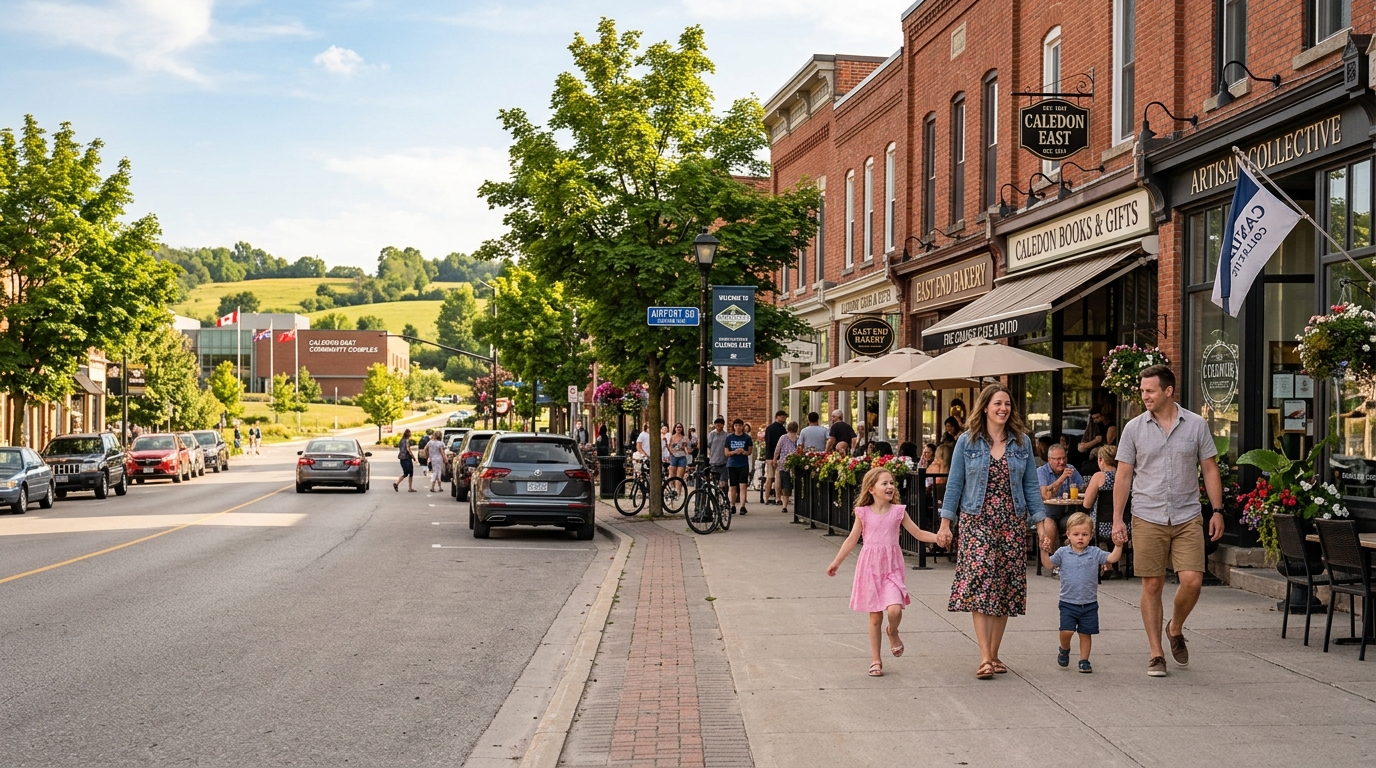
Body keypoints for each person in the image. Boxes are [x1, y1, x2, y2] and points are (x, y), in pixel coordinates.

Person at [937, 383, 1055, 680]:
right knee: (982, 583)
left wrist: (1041, 524)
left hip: (1011, 522)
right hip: (977, 521)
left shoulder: (1022, 443)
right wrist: (945, 523)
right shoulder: (967, 442)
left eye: (1007, 404)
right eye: (997, 403)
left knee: (1004, 587)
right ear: (986, 407)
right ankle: (985, 657)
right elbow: (954, 485)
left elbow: (1030, 486)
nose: (1003, 408)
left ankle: (995, 653)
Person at [1113, 364, 1225, 678]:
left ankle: (1174, 627)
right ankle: (1156, 653)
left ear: (1168, 391)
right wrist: (1117, 519)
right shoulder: (1134, 428)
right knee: (1152, 584)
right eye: (1142, 390)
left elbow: (1210, 468)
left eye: (1149, 390)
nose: (1144, 395)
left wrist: (1217, 510)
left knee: (1192, 581)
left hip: (1188, 514)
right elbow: (1123, 475)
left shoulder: (1196, 424)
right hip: (1147, 515)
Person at [826, 467, 940, 677]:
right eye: (884, 483)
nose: (890, 487)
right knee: (875, 618)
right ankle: (876, 659)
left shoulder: (898, 511)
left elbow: (917, 532)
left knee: (895, 609)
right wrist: (836, 562)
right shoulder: (864, 513)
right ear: (871, 489)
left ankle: (893, 631)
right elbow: (852, 539)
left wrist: (937, 538)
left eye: (891, 483)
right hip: (870, 568)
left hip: (892, 568)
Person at [1040, 512, 1124, 673]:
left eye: (1084, 535)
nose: (1080, 538)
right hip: (1068, 602)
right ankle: (1064, 648)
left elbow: (1112, 558)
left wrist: (1118, 546)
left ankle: (1084, 660)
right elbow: (1049, 565)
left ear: (1091, 536)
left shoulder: (1094, 552)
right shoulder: (1063, 553)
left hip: (1089, 603)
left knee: (1086, 633)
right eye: (1076, 534)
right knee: (1066, 631)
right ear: (1068, 535)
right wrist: (1044, 551)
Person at [725, 418, 753, 515]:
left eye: (740, 425)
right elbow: (726, 453)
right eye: (736, 425)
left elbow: (750, 451)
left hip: (743, 464)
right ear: (733, 427)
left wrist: (744, 452)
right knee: (733, 486)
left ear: (743, 427)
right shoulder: (729, 438)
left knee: (743, 485)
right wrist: (734, 452)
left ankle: (742, 506)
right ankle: (733, 505)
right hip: (732, 464)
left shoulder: (747, 438)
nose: (738, 427)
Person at [774, 421, 800, 514]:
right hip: (795, 463)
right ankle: (797, 504)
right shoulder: (798, 438)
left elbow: (777, 449)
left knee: (785, 485)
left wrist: (775, 459)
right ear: (796, 428)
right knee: (796, 483)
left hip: (783, 464)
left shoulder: (783, 437)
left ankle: (784, 505)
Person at [762, 410, 788, 506]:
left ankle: (766, 498)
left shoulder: (769, 428)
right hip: (779, 456)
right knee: (777, 478)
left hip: (769, 455)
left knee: (769, 477)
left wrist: (770, 455)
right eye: (783, 417)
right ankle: (778, 498)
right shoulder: (782, 430)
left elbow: (767, 442)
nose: (784, 419)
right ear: (777, 417)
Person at [706, 417, 729, 485]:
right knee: (715, 483)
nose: (718, 425)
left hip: (724, 462)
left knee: (723, 483)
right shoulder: (711, 434)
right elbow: (708, 445)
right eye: (716, 424)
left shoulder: (727, 436)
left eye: (720, 424)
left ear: (723, 425)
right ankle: (716, 495)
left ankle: (723, 494)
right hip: (713, 462)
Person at [394, 428, 416, 492]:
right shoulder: (407, 440)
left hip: (402, 459)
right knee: (409, 473)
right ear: (409, 434)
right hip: (407, 458)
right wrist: (413, 456)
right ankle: (398, 484)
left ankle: (398, 484)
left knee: (407, 473)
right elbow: (408, 449)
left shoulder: (401, 440)